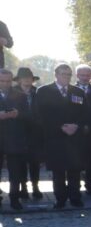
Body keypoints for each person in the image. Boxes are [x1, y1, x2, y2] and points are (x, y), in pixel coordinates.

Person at [35, 64, 86, 209]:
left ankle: (75, 198)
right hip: (55, 138)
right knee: (58, 172)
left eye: (69, 74)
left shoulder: (78, 92)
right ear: (56, 74)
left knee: (75, 171)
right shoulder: (44, 91)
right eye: (64, 74)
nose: (67, 77)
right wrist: (60, 127)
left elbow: (85, 113)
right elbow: (41, 115)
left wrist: (77, 126)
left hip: (74, 138)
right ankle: (60, 199)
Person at [0, 69, 29, 211]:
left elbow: (28, 116)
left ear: (12, 80)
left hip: (14, 138)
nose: (5, 84)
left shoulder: (20, 96)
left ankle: (14, 198)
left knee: (15, 172)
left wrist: (17, 114)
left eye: (7, 81)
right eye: (2, 81)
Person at [73, 64, 91, 196]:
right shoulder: (70, 91)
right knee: (75, 160)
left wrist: (89, 125)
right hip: (75, 132)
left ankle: (90, 185)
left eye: (87, 75)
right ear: (77, 75)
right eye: (82, 75)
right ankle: (74, 186)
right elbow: (71, 111)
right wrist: (80, 125)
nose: (85, 78)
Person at [15, 67, 42, 200]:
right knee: (20, 163)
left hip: (35, 133)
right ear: (19, 80)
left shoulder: (38, 93)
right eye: (24, 77)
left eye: (29, 77)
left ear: (32, 79)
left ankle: (35, 187)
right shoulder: (13, 92)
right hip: (18, 132)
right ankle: (23, 187)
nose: (26, 79)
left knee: (34, 163)